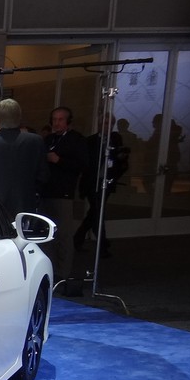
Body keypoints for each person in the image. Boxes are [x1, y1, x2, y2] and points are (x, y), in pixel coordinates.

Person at [39, 106, 87, 279]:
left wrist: (58, 160)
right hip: (46, 192)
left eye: (60, 119)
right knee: (47, 234)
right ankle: (48, 269)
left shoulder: (76, 140)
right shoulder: (49, 139)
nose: (57, 123)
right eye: (54, 120)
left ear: (68, 121)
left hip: (63, 193)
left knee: (63, 235)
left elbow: (81, 165)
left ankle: (63, 273)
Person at [75, 112, 129, 258]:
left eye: (110, 124)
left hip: (106, 182)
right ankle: (102, 245)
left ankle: (78, 238)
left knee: (94, 212)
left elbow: (121, 162)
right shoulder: (90, 141)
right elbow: (85, 163)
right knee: (98, 212)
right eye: (105, 123)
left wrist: (118, 164)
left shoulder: (115, 139)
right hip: (92, 183)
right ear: (99, 124)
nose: (108, 127)